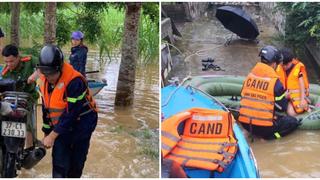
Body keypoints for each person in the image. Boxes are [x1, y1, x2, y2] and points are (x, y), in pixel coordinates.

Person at [37, 44, 98, 178]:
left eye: (52, 74)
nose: (49, 78)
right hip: (61, 126)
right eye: (45, 74)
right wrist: (47, 133)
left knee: (75, 166)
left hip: (82, 124)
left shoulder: (75, 81)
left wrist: (52, 136)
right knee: (59, 164)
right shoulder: (43, 80)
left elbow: (71, 113)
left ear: (59, 68)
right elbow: (46, 109)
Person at [238, 45, 300, 140]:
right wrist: (285, 97)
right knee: (292, 122)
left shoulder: (250, 76)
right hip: (263, 127)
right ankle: (269, 138)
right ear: (274, 64)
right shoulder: (275, 82)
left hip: (245, 123)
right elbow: (281, 108)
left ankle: (251, 132)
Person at [1, 44, 39, 148]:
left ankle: (29, 148)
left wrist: (35, 75)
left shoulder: (29, 60)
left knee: (28, 123)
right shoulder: (5, 72)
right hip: (12, 99)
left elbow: (43, 65)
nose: (9, 64)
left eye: (11, 61)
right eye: (6, 62)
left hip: (28, 96)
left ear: (18, 56)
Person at [276, 48, 310, 116]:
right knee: (289, 111)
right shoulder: (279, 67)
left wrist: (302, 99)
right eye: (283, 65)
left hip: (296, 94)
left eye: (286, 65)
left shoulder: (297, 68)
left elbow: (302, 84)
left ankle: (306, 103)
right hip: (285, 94)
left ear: (291, 61)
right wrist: (283, 95)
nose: (284, 67)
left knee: (291, 113)